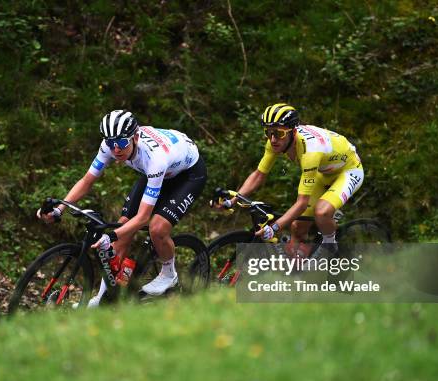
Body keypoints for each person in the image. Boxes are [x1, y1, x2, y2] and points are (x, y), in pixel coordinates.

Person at [37, 109, 207, 306]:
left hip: (188, 174)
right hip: (159, 173)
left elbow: (143, 217)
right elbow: (87, 181)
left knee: (157, 228)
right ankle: (102, 301)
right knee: (123, 226)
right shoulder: (110, 145)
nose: (116, 149)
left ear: (135, 137)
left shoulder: (155, 158)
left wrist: (111, 236)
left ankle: (169, 274)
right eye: (111, 143)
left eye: (121, 143)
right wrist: (59, 209)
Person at [218, 103, 364, 258]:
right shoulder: (275, 141)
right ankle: (300, 267)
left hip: (348, 170)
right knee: (297, 227)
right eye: (268, 132)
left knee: (321, 212)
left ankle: (330, 245)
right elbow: (259, 175)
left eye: (278, 133)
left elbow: (301, 203)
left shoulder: (310, 152)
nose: (273, 139)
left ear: (293, 132)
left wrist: (274, 228)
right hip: (324, 172)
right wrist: (234, 199)